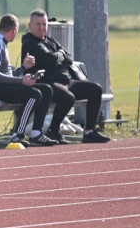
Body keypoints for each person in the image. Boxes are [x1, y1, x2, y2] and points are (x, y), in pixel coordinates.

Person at [20, 9, 111, 144]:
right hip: (48, 83)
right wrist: (60, 55)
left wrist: (59, 56)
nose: (41, 27)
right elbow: (50, 59)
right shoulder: (30, 42)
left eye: (44, 24)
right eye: (38, 24)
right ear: (30, 26)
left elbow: (69, 57)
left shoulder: (49, 40)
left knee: (95, 89)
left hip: (66, 81)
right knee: (68, 98)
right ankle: (53, 130)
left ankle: (89, 131)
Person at [0, 14, 58, 146]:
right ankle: (17, 135)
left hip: (0, 85)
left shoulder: (1, 42)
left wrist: (23, 68)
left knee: (46, 90)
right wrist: (21, 81)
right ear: (14, 30)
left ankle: (36, 133)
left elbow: (7, 74)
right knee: (35, 94)